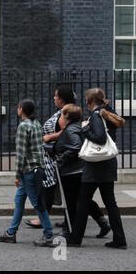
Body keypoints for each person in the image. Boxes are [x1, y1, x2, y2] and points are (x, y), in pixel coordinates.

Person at [26, 86, 111, 239]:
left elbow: (69, 135)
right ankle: (87, 223)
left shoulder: (67, 113)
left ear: (62, 99)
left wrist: (52, 142)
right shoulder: (67, 112)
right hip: (65, 163)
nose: (54, 98)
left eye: (56, 95)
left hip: (68, 165)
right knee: (76, 197)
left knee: (74, 197)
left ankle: (71, 228)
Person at [67, 88, 127, 249]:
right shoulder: (107, 111)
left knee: (83, 201)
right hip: (108, 163)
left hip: (95, 165)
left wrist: (84, 128)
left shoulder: (95, 115)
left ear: (90, 101)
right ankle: (120, 239)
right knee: (110, 203)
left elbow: (100, 138)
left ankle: (75, 238)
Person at [0, 99, 56, 247]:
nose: (17, 109)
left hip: (29, 172)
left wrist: (16, 176)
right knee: (19, 201)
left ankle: (48, 235)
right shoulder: (36, 124)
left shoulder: (23, 127)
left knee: (38, 204)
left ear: (21, 109)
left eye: (18, 106)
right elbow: (40, 149)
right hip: (36, 169)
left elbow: (21, 154)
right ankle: (11, 233)